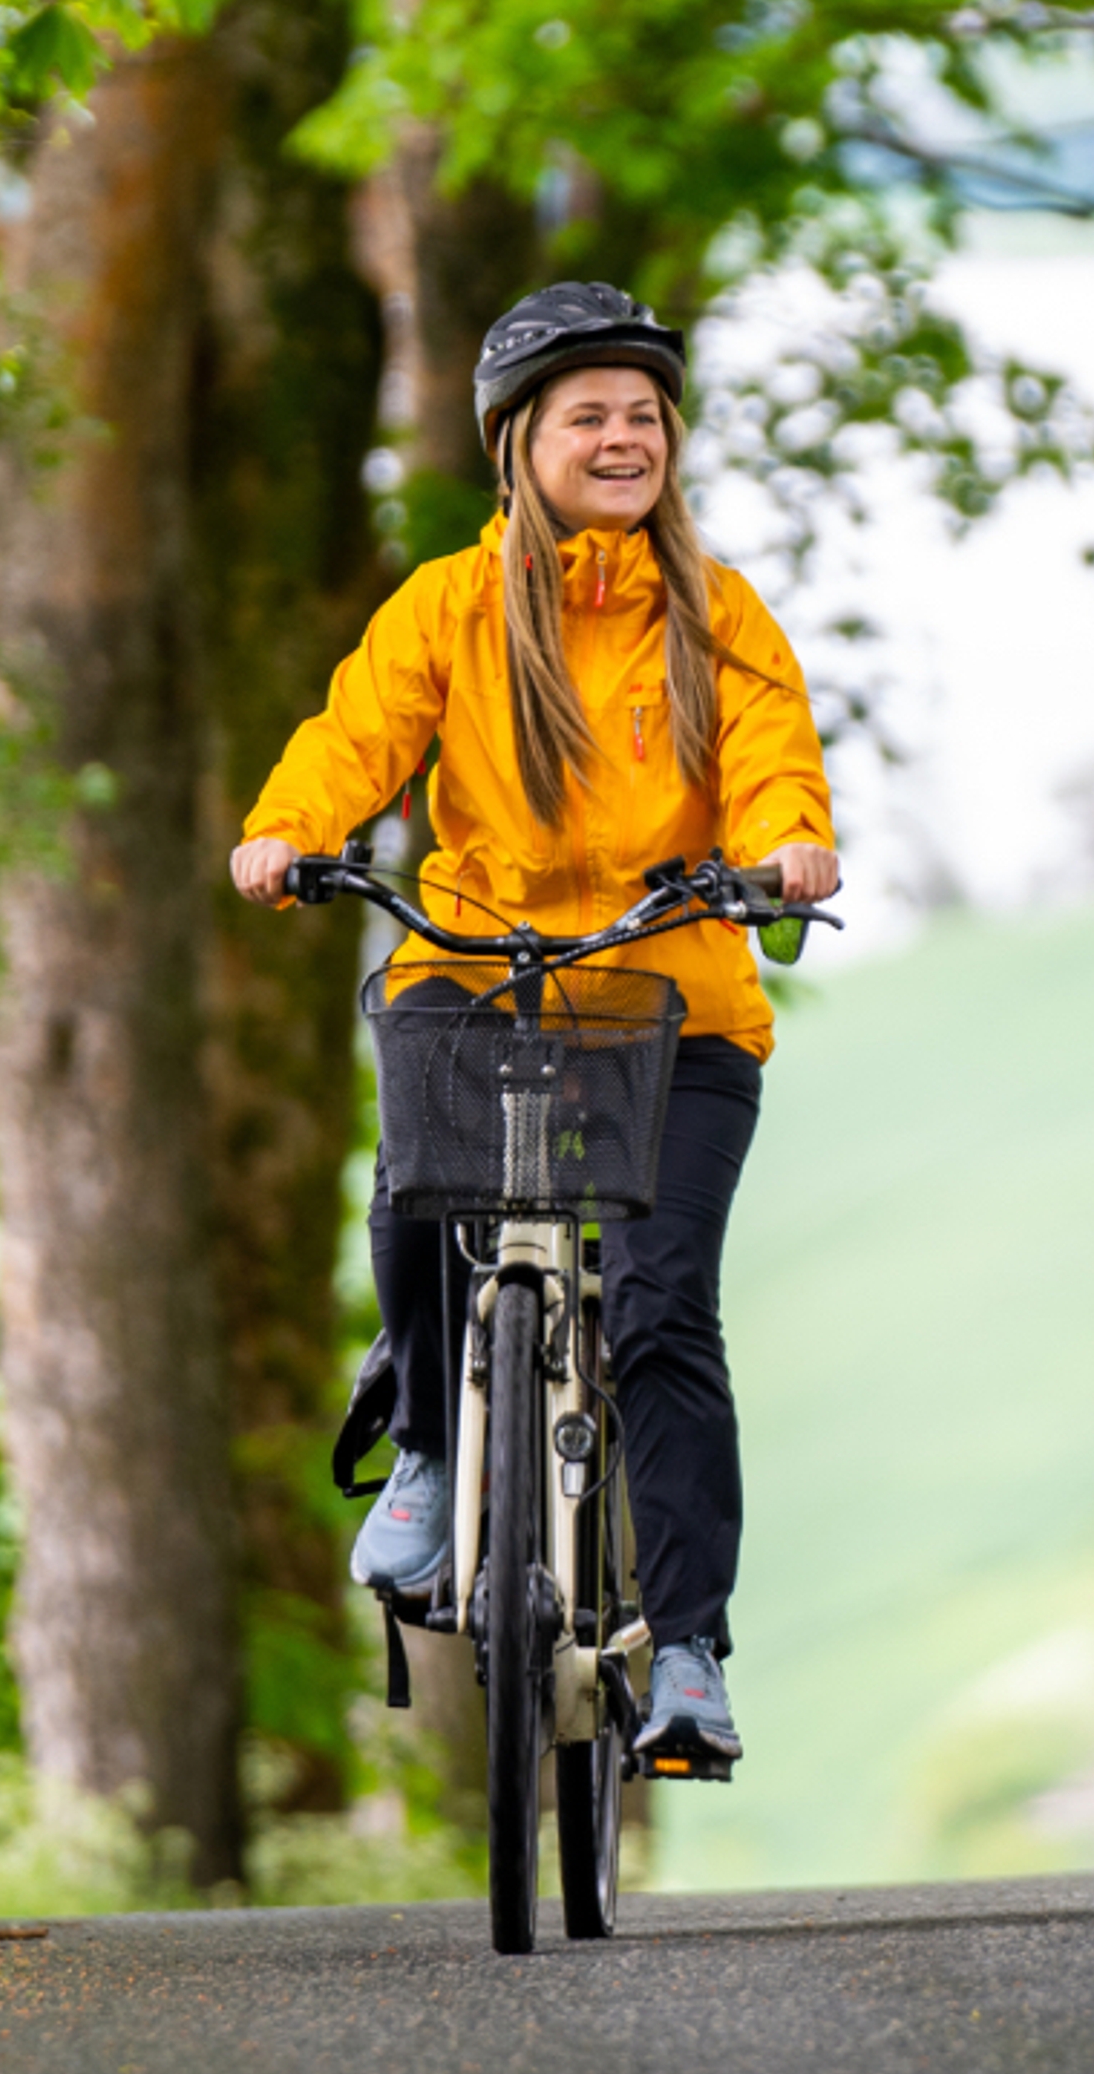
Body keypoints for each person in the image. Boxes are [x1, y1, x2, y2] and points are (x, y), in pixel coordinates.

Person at [229, 281, 840, 1776]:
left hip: (671, 996)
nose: (624, 437)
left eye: (645, 416)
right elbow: (355, 735)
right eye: (591, 417)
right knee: (412, 1196)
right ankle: (436, 1450)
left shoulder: (718, 611)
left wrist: (788, 846)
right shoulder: (448, 604)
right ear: (521, 444)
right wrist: (287, 832)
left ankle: (686, 1650)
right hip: (487, 971)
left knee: (660, 1304)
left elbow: (771, 757)